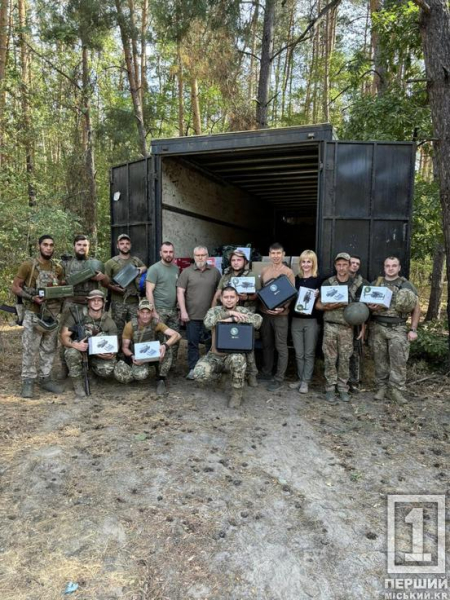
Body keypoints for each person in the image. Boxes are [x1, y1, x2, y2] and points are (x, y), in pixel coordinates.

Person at [11, 235, 65, 398]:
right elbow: (15, 287)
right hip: (33, 313)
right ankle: (28, 381)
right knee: (30, 348)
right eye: (45, 245)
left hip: (52, 313)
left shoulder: (57, 268)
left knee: (49, 348)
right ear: (39, 246)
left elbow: (60, 286)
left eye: (51, 245)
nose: (48, 248)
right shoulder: (28, 265)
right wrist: (31, 297)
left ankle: (45, 378)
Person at [194, 286, 263, 408]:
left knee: (238, 359)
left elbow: (258, 321)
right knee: (199, 373)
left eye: (232, 297)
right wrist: (229, 313)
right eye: (226, 297)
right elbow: (208, 323)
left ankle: (237, 394)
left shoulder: (243, 310)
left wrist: (235, 318)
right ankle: (223, 374)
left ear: (237, 299)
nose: (229, 300)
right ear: (221, 298)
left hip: (233, 355)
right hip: (215, 355)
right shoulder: (214, 311)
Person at [369, 256, 420, 404]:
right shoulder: (376, 284)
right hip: (378, 326)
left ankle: (396, 390)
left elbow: (416, 309)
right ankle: (381, 387)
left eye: (394, 265)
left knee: (398, 361)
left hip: (398, 328)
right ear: (384, 267)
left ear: (399, 268)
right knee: (379, 360)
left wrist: (413, 329)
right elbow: (366, 308)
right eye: (388, 266)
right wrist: (371, 308)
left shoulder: (407, 286)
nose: (390, 268)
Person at [316, 252, 365, 403]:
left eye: (345, 264)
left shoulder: (356, 284)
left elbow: (362, 308)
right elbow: (318, 305)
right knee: (330, 358)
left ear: (349, 265)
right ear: (335, 266)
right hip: (330, 326)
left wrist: (363, 327)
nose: (342, 268)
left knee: (345, 359)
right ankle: (330, 387)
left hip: (347, 328)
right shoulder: (328, 283)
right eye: (339, 264)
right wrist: (331, 306)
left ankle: (343, 388)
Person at [212, 249, 259, 386]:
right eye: (233, 260)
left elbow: (258, 295)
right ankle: (227, 372)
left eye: (239, 260)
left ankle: (251, 374)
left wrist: (247, 297)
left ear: (244, 261)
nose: (236, 262)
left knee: (247, 345)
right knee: (228, 342)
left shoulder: (252, 275)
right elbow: (218, 294)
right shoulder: (226, 276)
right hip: (228, 313)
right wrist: (212, 310)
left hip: (245, 313)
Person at [114, 299, 181, 394]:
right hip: (139, 357)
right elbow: (125, 347)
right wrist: (132, 356)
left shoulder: (156, 323)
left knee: (167, 348)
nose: (145, 316)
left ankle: (161, 378)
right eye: (142, 312)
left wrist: (165, 346)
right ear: (138, 312)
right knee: (140, 375)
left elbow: (177, 335)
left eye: (148, 313)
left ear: (152, 312)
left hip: (153, 354)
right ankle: (138, 369)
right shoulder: (130, 326)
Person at [60, 290, 118, 397]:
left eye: (99, 300)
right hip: (79, 350)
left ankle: (91, 372)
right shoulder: (77, 316)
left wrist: (109, 354)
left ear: (103, 303)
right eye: (93, 300)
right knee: (71, 353)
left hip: (96, 354)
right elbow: (64, 336)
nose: (96, 302)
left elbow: (114, 345)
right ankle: (77, 383)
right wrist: (75, 345)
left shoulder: (109, 322)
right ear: (88, 302)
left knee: (107, 368)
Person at [177, 246, 221, 379]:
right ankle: (193, 368)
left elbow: (220, 292)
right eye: (198, 255)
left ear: (207, 256)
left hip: (210, 316)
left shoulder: (215, 272)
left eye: (203, 255)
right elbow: (180, 292)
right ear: (194, 256)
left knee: (210, 343)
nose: (200, 257)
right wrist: (183, 311)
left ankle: (209, 368)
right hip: (191, 315)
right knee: (192, 343)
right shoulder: (186, 272)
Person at [258, 242, 295, 392]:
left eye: (278, 253)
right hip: (265, 314)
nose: (276, 256)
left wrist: (282, 308)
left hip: (281, 315)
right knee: (267, 344)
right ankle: (267, 372)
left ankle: (279, 378)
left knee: (281, 346)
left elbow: (291, 294)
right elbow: (262, 292)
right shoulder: (264, 270)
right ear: (269, 255)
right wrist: (265, 307)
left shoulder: (288, 272)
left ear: (283, 254)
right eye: (273, 253)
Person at [290, 250, 322, 394]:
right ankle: (300, 378)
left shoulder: (319, 280)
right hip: (296, 319)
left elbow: (324, 303)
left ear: (313, 263)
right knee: (298, 353)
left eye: (309, 261)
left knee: (309, 353)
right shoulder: (295, 279)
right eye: (303, 261)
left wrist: (318, 294)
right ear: (300, 263)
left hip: (311, 321)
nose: (306, 264)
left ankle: (305, 382)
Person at [145, 241, 180, 368]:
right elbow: (149, 291)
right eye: (165, 252)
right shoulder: (154, 269)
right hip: (159, 310)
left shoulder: (176, 269)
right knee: (160, 340)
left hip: (173, 311)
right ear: (160, 253)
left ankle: (172, 366)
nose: (168, 254)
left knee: (175, 339)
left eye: (171, 252)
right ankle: (159, 368)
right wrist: (153, 312)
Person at [105, 234, 147, 337]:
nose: (125, 246)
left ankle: (132, 352)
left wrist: (142, 268)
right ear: (117, 246)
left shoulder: (136, 260)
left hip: (134, 302)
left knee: (135, 331)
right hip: (117, 302)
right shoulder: (110, 263)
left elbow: (145, 267)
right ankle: (118, 353)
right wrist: (115, 288)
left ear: (130, 245)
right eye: (122, 243)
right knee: (117, 332)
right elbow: (105, 282)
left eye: (127, 243)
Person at [348, 255, 369, 392]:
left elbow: (365, 308)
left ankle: (354, 382)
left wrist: (363, 328)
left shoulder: (363, 283)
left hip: (356, 324)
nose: (354, 265)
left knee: (355, 353)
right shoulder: (338, 280)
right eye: (352, 263)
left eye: (357, 263)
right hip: (340, 321)